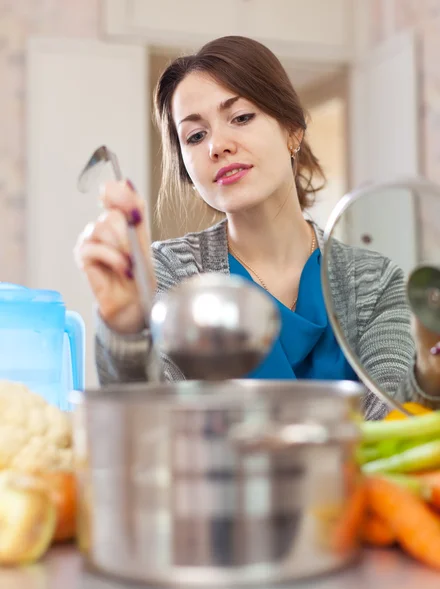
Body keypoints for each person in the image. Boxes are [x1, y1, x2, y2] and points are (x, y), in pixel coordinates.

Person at [74, 35, 440, 420]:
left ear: (293, 131)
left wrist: (430, 376)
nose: (217, 145)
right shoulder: (168, 273)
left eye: (241, 117)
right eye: (196, 136)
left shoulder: (375, 281)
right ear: (187, 168)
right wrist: (128, 328)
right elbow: (147, 423)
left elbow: (393, 430)